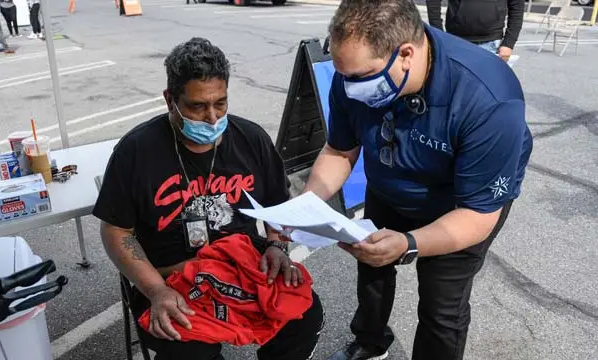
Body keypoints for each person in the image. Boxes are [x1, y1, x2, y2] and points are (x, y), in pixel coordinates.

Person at [304, 1, 533, 360]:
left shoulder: (488, 97)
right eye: (342, 75)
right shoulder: (353, 72)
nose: (349, 87)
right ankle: (370, 340)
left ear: (406, 54)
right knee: (372, 266)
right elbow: (339, 150)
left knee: (441, 307)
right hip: (389, 182)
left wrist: (409, 243)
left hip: (459, 205)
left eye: (361, 78)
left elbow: (477, 216)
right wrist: (306, 205)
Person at [93, 37, 324, 360]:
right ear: (170, 100)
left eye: (221, 103)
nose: (213, 118)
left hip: (243, 268)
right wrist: (155, 290)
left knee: (305, 316)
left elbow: (277, 207)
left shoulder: (251, 140)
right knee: (189, 353)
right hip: (169, 277)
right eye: (197, 106)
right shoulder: (136, 152)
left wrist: (276, 245)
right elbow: (116, 232)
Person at [426, 0, 524, 61]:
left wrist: (508, 43)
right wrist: (439, 34)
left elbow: (517, 7)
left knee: (488, 90)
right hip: (455, 42)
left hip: (492, 44)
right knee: (456, 90)